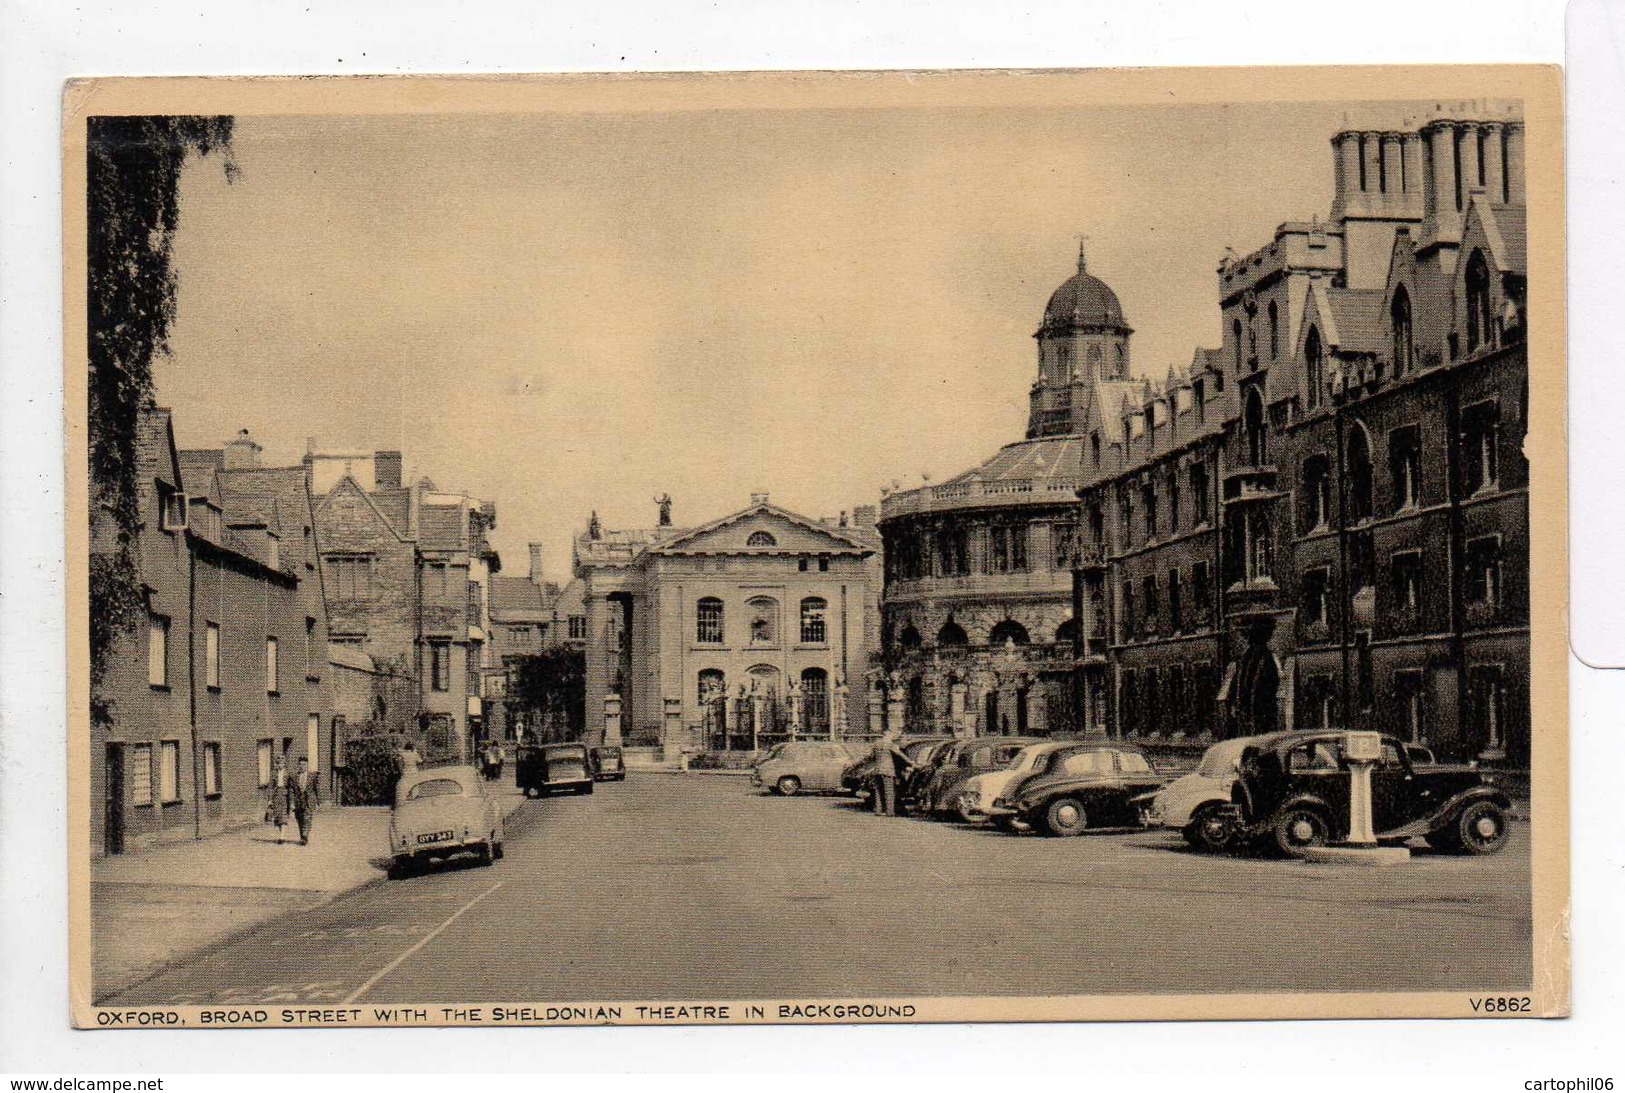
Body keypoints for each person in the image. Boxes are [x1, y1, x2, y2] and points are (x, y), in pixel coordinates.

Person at [869, 730, 912, 817]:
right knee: (889, 792)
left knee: (878, 791)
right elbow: (900, 754)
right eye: (891, 734)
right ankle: (890, 812)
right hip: (888, 770)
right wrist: (911, 762)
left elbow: (870, 757)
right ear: (887, 734)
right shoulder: (889, 744)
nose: (893, 736)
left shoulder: (876, 744)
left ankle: (878, 810)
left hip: (877, 770)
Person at [288, 757, 319, 846]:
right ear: (298, 765)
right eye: (300, 764)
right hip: (298, 801)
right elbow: (291, 790)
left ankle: (305, 835)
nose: (302, 766)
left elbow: (317, 789)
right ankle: (303, 837)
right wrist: (292, 802)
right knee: (300, 819)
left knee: (307, 818)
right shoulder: (294, 776)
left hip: (309, 800)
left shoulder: (312, 776)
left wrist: (318, 802)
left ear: (307, 765)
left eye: (304, 764)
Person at [265, 756, 290, 843]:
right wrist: (270, 799)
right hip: (276, 796)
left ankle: (282, 837)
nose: (280, 765)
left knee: (283, 815)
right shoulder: (273, 773)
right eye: (278, 763)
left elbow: (291, 786)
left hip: (285, 796)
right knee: (278, 816)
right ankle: (281, 834)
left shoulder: (288, 773)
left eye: (282, 763)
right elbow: (270, 787)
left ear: (284, 764)